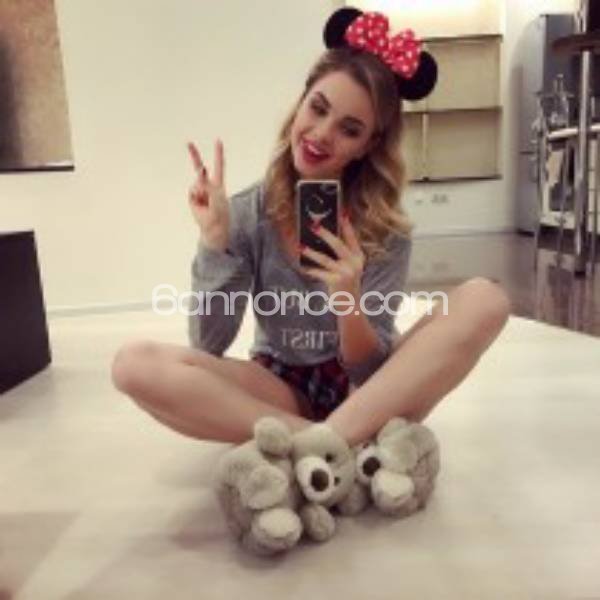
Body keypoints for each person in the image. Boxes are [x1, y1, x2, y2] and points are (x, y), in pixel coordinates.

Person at [111, 8, 511, 447]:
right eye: (318, 109)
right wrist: (215, 243)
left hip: (368, 392)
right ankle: (330, 444)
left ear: (368, 145)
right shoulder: (246, 212)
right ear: (301, 102)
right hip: (279, 389)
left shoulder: (386, 227)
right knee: (133, 365)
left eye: (349, 129)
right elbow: (207, 345)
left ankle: (317, 441)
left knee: (485, 299)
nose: (321, 134)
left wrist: (347, 300)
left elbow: (369, 372)